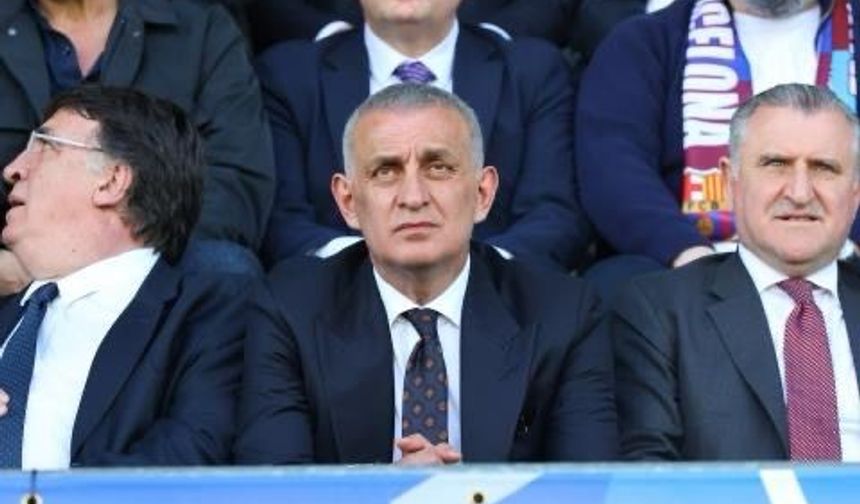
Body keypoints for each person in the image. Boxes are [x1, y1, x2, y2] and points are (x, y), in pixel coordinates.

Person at [236, 84, 617, 464]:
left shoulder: (563, 315)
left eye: (439, 168)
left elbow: (587, 485)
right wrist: (391, 491)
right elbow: (274, 484)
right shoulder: (290, 310)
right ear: (348, 202)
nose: (414, 197)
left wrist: (463, 492)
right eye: (386, 171)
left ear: (482, 193)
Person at [0, 85, 248, 468]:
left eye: (45, 146)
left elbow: (186, 458)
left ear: (112, 181)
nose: (12, 169)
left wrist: (47, 493)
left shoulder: (209, 318)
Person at [612, 83, 860, 460]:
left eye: (824, 168)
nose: (799, 192)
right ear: (731, 183)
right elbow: (650, 473)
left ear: (855, 194)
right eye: (776, 164)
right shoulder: (660, 312)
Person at [257, 0, 592, 273]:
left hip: (501, 303)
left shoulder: (531, 72)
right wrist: (367, 269)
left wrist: (470, 274)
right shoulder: (291, 76)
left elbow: (554, 215)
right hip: (334, 304)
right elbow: (283, 222)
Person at [576, 0, 860, 299]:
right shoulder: (644, 41)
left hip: (846, 259)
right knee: (618, 286)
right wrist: (689, 254)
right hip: (690, 263)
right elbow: (613, 168)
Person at [0, 0, 274, 292]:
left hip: (158, 264)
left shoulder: (200, 27)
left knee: (225, 267)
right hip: (13, 266)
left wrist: (107, 266)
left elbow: (236, 180)